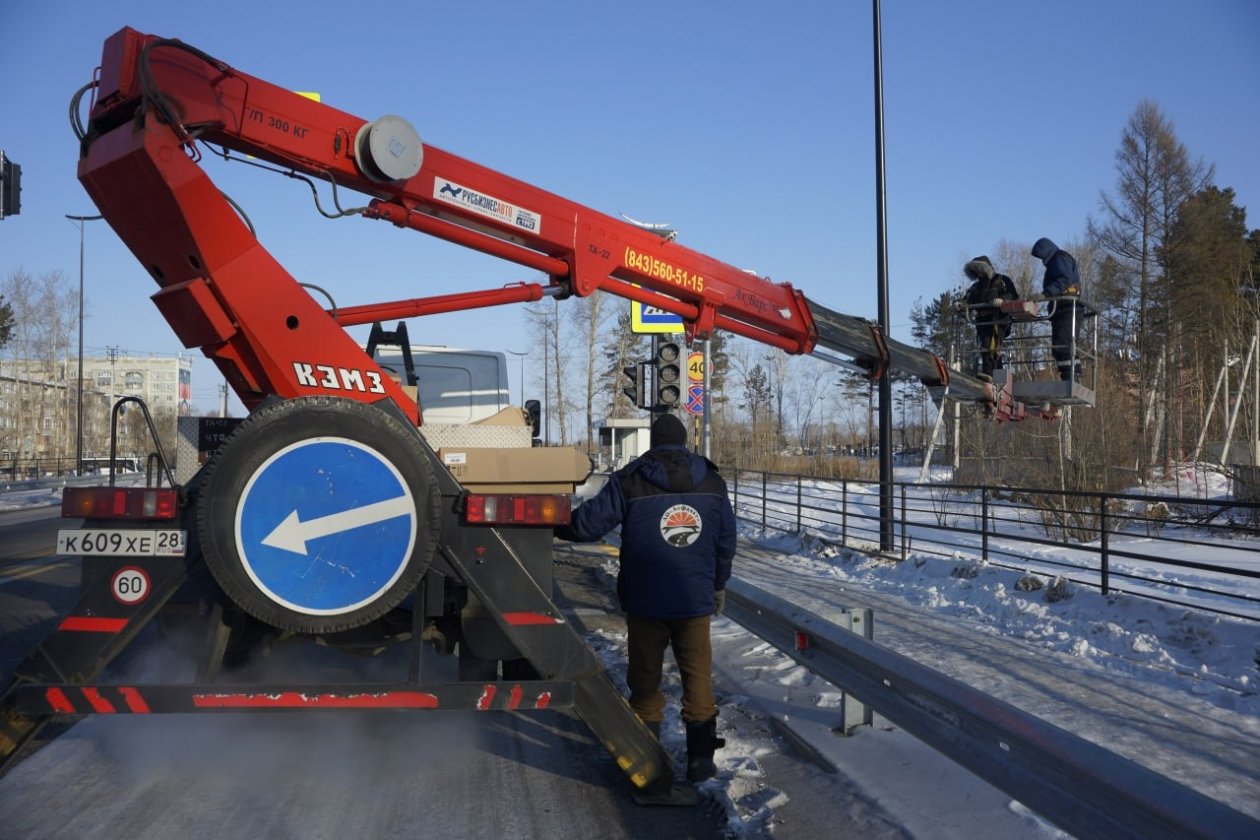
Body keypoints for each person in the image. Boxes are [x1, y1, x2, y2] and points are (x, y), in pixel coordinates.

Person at [554, 412, 736, 782]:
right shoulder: (713, 483)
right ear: (685, 442)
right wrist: (717, 585)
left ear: (652, 443)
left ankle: (646, 759)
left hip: (645, 600)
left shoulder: (630, 481)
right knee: (698, 678)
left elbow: (589, 525)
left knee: (645, 682)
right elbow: (724, 542)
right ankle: (700, 759)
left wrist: (556, 524)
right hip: (693, 600)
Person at [1031, 237, 1082, 382]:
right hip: (1061, 308)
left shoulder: (1059, 258)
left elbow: (1064, 279)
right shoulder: (1056, 261)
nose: (1040, 260)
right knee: (1061, 345)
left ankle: (1071, 376)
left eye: (1040, 255)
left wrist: (1046, 294)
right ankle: (1069, 375)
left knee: (1064, 344)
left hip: (1067, 308)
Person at [962, 255, 1020, 381]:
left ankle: (988, 373)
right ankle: (997, 375)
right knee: (987, 347)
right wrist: (960, 304)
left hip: (999, 319)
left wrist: (1003, 300)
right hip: (982, 321)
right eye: (976, 269)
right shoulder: (976, 287)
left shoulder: (1001, 280)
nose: (979, 272)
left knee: (989, 345)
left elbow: (1013, 294)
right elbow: (967, 299)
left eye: (980, 268)